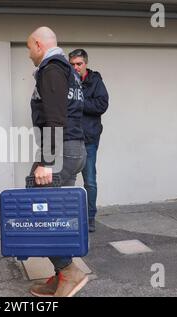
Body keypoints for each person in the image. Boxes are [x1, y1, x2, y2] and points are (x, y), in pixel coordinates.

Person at [27, 27, 88, 297]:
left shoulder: (51, 68)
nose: (29, 55)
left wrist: (46, 161)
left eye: (30, 48)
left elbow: (55, 117)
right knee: (55, 215)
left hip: (61, 152)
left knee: (38, 210)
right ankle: (61, 274)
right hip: (74, 149)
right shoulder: (69, 70)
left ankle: (69, 271)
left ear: (38, 44)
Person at [69, 49, 109, 233]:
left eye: (79, 64)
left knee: (90, 180)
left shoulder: (95, 81)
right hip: (70, 138)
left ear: (85, 63)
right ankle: (69, 216)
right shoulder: (67, 81)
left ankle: (90, 217)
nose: (75, 67)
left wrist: (80, 103)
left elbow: (102, 105)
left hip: (89, 139)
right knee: (67, 179)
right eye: (72, 64)